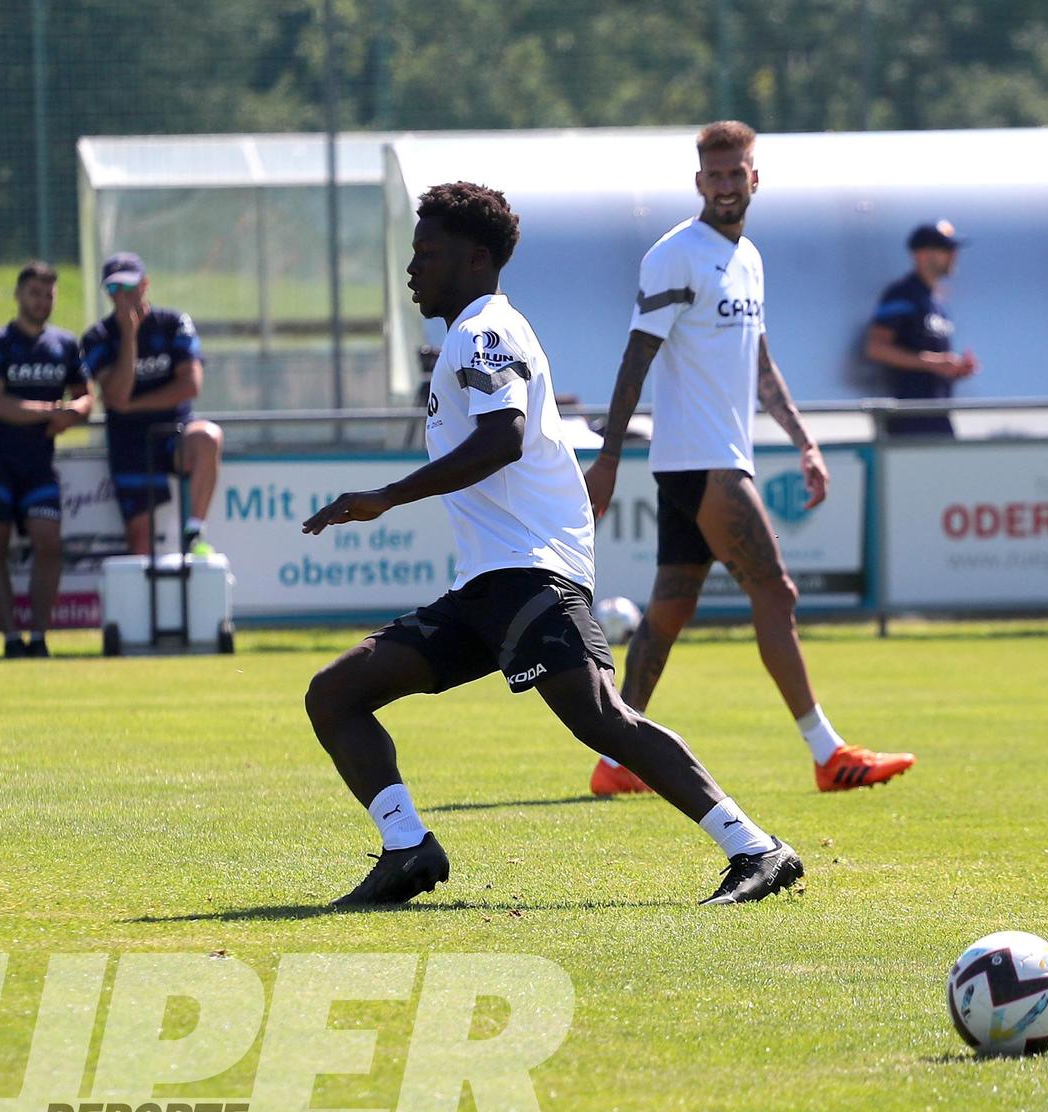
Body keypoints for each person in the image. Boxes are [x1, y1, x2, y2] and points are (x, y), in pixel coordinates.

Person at [301, 181, 802, 908]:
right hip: (486, 587)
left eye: (426, 252)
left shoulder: (485, 330)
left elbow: (500, 439)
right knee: (336, 694)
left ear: (475, 260)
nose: (413, 268)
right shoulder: (468, 332)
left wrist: (386, 497)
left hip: (531, 573)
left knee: (601, 717)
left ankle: (756, 847)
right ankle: (408, 848)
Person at [582, 121, 915, 799]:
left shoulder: (748, 258)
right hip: (700, 461)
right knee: (778, 591)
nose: (728, 185)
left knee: (669, 609)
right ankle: (828, 754)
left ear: (754, 178)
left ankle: (618, 757)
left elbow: (761, 366)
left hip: (710, 458)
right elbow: (634, 358)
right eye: (716, 175)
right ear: (698, 181)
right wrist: (609, 458)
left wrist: (804, 441)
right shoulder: (675, 255)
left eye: (739, 173)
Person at [0, 261, 92, 656]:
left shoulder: (65, 345)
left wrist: (74, 413)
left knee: (48, 542)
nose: (42, 301)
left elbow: (87, 396)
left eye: (49, 295)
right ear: (18, 295)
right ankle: (9, 638)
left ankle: (39, 637)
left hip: (39, 464)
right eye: (35, 293)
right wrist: (49, 412)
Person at [80, 253, 224, 556]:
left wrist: (133, 405)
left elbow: (190, 385)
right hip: (129, 442)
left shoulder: (173, 323)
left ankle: (195, 530)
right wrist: (129, 337)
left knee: (208, 437)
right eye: (114, 290)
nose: (123, 296)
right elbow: (117, 396)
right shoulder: (98, 337)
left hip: (175, 432)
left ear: (145, 285)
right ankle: (143, 602)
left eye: (129, 287)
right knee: (140, 537)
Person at [864, 220, 980, 437]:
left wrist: (955, 369)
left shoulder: (936, 301)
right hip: (908, 421)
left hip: (938, 416)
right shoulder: (902, 294)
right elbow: (876, 347)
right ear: (922, 255)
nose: (954, 256)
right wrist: (934, 363)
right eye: (946, 249)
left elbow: (932, 362)